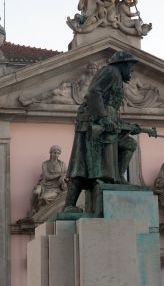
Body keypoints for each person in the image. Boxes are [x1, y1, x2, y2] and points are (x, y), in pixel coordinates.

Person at [63, 51, 143, 213]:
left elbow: (110, 107)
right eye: (130, 67)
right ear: (122, 64)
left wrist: (128, 125)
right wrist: (103, 117)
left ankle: (119, 177)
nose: (132, 71)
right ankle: (69, 205)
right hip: (93, 122)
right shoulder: (111, 71)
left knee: (129, 144)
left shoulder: (117, 78)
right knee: (82, 162)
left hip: (105, 121)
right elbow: (94, 92)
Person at [30, 145, 67, 215]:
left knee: (44, 197)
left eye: (58, 153)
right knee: (36, 192)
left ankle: (43, 212)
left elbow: (65, 175)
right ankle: (34, 209)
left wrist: (63, 178)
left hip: (55, 188)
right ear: (50, 153)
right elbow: (47, 176)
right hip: (43, 185)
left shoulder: (62, 164)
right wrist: (59, 175)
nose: (56, 155)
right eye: (54, 152)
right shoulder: (45, 164)